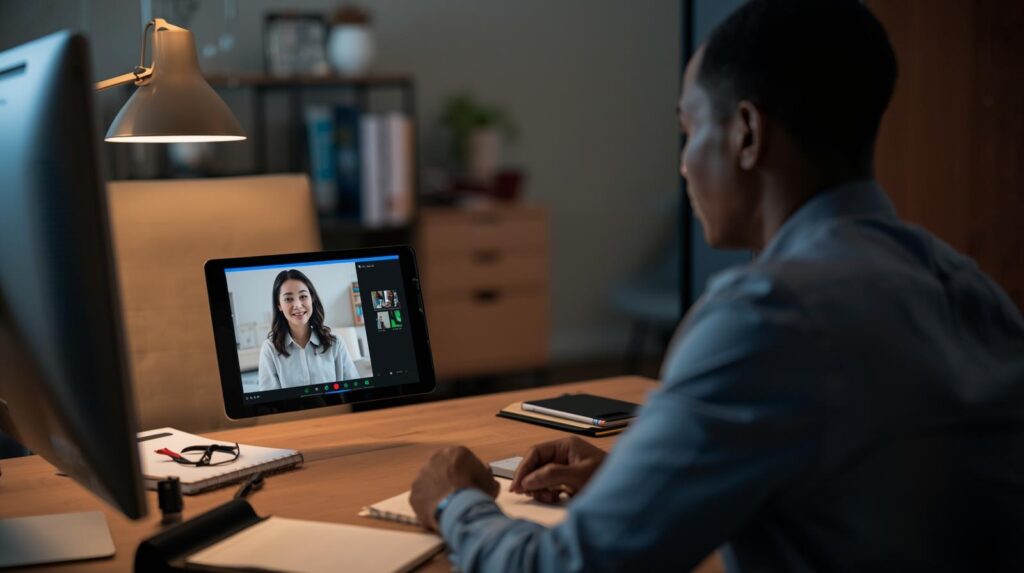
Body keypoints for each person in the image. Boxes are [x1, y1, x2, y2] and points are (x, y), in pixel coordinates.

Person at [408, 0, 1024, 570]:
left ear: (747, 134)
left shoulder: (768, 315)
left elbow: (573, 566)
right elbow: (870, 488)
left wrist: (455, 502)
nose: (683, 162)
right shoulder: (970, 289)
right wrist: (641, 482)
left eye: (688, 128)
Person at [257, 269, 358, 390]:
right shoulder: (270, 349)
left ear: (312, 299)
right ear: (279, 305)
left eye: (303, 296)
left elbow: (354, 389)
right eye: (288, 299)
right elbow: (271, 403)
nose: (298, 305)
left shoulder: (335, 344)